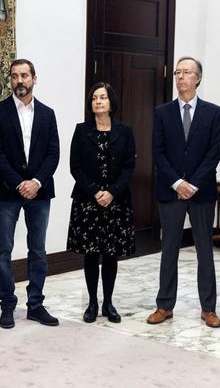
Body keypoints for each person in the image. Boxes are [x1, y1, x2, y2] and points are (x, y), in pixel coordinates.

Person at [147, 56, 220, 328]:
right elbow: (158, 152)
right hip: (171, 193)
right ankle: (164, 305)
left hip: (201, 193)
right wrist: (177, 183)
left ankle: (209, 308)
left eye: (187, 72)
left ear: (198, 78)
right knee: (169, 249)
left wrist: (193, 184)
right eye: (178, 72)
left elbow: (214, 153)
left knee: (205, 250)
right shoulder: (162, 112)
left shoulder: (214, 113)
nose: (180, 77)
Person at [0, 58, 60, 329]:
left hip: (39, 192)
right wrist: (20, 182)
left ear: (34, 79)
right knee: (4, 251)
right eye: (15, 76)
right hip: (7, 192)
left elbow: (53, 154)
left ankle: (36, 305)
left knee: (37, 250)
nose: (20, 80)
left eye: (25, 76)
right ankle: (7, 305)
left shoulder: (48, 114)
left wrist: (36, 182)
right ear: (10, 80)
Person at [67, 82, 136, 323]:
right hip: (88, 201)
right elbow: (75, 166)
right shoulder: (81, 130)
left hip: (116, 202)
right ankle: (92, 303)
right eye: (94, 98)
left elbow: (129, 166)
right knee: (90, 254)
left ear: (111, 102)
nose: (98, 101)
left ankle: (108, 303)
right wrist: (96, 191)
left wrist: (112, 192)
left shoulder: (125, 131)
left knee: (110, 255)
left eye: (103, 97)